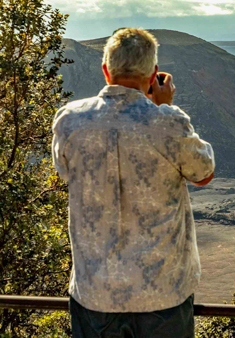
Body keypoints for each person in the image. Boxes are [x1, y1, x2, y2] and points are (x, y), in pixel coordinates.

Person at [51, 28, 215, 338]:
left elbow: (64, 171)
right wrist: (163, 107)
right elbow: (203, 174)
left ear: (105, 70)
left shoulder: (70, 121)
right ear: (154, 73)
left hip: (95, 293)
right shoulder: (167, 123)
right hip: (163, 294)